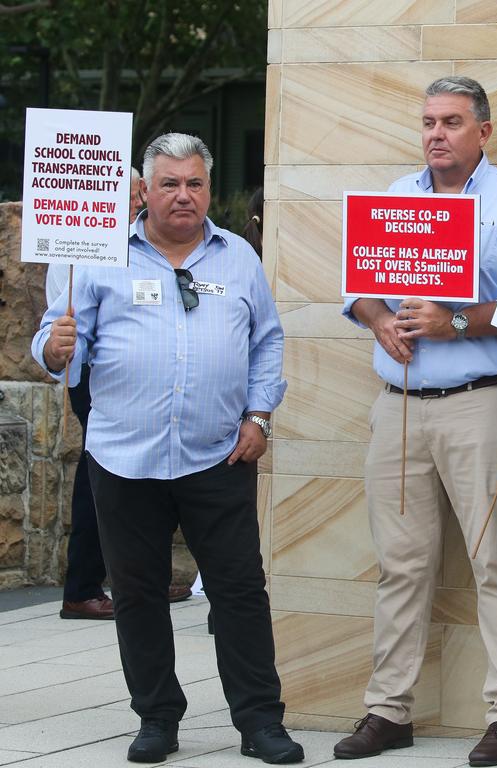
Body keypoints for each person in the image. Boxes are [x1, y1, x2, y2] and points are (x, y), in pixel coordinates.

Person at [32, 133, 303, 764]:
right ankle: (157, 718)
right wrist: (55, 349)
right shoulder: (93, 257)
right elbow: (53, 346)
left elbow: (267, 339)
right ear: (144, 191)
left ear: (209, 189)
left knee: (240, 590)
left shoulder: (237, 257)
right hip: (125, 456)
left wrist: (260, 416)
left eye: (195, 184)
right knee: (137, 592)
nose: (184, 196)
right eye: (170, 184)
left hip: (218, 454)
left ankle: (260, 721)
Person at [334, 76, 497, 767]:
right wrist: (379, 323)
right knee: (400, 566)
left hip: (485, 402)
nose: (436, 133)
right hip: (398, 405)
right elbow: (361, 286)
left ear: (482, 131)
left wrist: (457, 321)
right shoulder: (396, 197)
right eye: (428, 120)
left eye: (452, 121)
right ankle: (388, 711)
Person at [48, 168, 191, 620]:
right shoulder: (81, 249)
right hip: (95, 377)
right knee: (102, 479)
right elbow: (63, 324)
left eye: (138, 195)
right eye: (130, 196)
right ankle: (84, 586)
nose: (136, 204)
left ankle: (141, 573)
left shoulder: (135, 243)